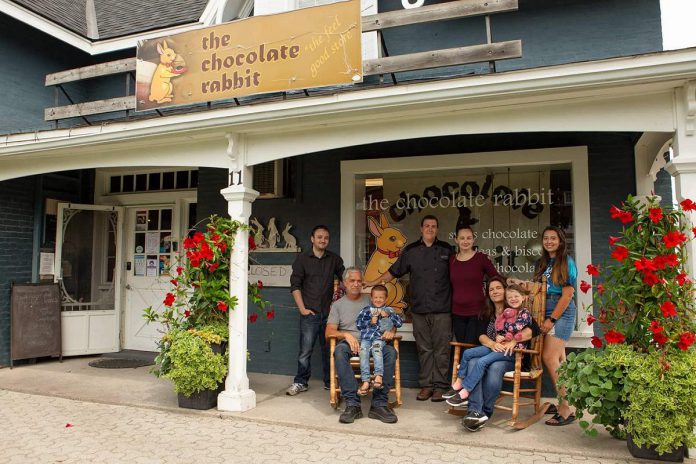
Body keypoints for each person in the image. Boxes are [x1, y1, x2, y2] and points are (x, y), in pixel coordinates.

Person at [364, 215, 454, 402]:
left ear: (437, 230)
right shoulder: (411, 250)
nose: (430, 229)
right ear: (421, 229)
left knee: (442, 350)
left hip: (442, 309)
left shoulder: (447, 249)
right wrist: (372, 282)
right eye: (427, 226)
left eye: (434, 226)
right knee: (424, 349)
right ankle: (426, 386)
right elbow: (393, 272)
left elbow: (459, 273)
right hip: (419, 309)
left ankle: (440, 386)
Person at [454, 276, 537, 432]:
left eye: (498, 287)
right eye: (491, 289)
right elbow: (479, 335)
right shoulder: (487, 312)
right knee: (472, 362)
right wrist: (492, 343)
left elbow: (534, 329)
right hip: (490, 352)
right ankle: (474, 411)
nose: (495, 291)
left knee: (495, 368)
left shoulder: (514, 306)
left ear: (505, 290)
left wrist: (513, 341)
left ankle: (485, 411)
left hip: (511, 355)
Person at [326, 268, 399, 424]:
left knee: (391, 352)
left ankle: (379, 404)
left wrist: (391, 331)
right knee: (339, 351)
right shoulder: (338, 305)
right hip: (350, 343)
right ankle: (353, 404)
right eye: (352, 281)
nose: (356, 284)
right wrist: (345, 335)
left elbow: (389, 320)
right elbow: (329, 332)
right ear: (345, 283)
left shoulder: (372, 299)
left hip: (375, 341)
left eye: (359, 280)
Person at [444, 284, 532, 407]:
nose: (513, 299)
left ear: (523, 297)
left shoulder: (524, 313)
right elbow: (488, 332)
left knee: (481, 362)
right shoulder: (495, 313)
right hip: (497, 347)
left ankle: (467, 390)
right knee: (468, 354)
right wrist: (497, 338)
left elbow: (524, 329)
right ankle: (459, 382)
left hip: (511, 352)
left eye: (498, 288)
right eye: (491, 289)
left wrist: (511, 339)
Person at [286, 225, 345, 396]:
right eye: (319, 237)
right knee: (305, 351)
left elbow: (345, 280)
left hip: (329, 315)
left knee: (329, 350)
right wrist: (303, 309)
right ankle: (301, 382)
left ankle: (330, 382)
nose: (323, 240)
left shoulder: (334, 259)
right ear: (312, 239)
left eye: (326, 237)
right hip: (309, 314)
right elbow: (295, 286)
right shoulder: (302, 259)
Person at [533, 226, 577, 426]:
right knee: (560, 359)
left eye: (553, 238)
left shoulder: (566, 262)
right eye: (546, 238)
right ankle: (566, 402)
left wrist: (551, 319)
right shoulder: (542, 262)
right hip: (544, 307)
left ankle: (565, 409)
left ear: (560, 241)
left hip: (562, 312)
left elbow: (567, 295)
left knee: (549, 357)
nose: (549, 241)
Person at [449, 225, 500, 344]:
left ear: (473, 239)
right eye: (462, 238)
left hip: (477, 312)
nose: (465, 241)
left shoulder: (481, 258)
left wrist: (512, 281)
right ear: (456, 240)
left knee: (470, 347)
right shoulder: (451, 260)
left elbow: (496, 277)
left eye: (468, 238)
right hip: (457, 312)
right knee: (461, 347)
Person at [356, 285, 403, 395]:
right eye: (375, 297)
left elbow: (399, 323)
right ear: (371, 298)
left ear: (386, 298)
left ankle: (378, 376)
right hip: (366, 339)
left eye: (381, 298)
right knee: (363, 353)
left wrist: (388, 315)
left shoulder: (389, 310)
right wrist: (370, 322)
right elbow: (359, 324)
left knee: (377, 350)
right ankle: (366, 381)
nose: (378, 300)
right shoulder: (366, 310)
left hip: (379, 339)